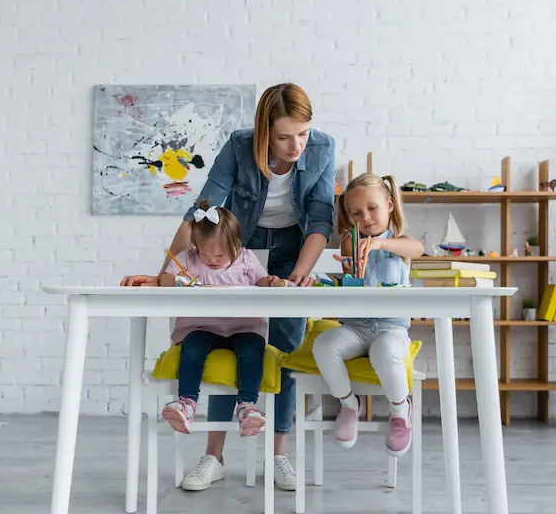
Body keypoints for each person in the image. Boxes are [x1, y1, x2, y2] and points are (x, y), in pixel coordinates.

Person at [122, 83, 336, 492]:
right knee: (223, 332)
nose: (296, 147)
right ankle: (214, 456)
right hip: (235, 243)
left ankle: (278, 455)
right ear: (263, 132)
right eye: (284, 137)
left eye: (303, 134)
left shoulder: (323, 149)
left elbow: (321, 220)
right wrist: (164, 273)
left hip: (294, 248)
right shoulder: (239, 147)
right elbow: (203, 210)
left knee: (286, 346)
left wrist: (296, 278)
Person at [311, 173, 424, 457]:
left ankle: (400, 410)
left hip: (391, 329)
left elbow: (417, 249)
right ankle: (349, 404)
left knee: (385, 353)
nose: (366, 218)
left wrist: (381, 244)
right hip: (356, 328)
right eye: (357, 213)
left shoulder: (401, 243)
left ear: (388, 204)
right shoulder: (350, 242)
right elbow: (352, 281)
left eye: (372, 208)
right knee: (324, 345)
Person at [158, 200, 281, 443]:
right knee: (192, 347)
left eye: (220, 254)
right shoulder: (188, 259)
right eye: (205, 253)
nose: (212, 260)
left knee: (252, 349)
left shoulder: (246, 259)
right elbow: (164, 280)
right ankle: (187, 403)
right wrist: (177, 280)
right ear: (195, 247)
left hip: (243, 327)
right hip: (202, 326)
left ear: (236, 244)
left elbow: (262, 282)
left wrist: (270, 282)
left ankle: (247, 406)